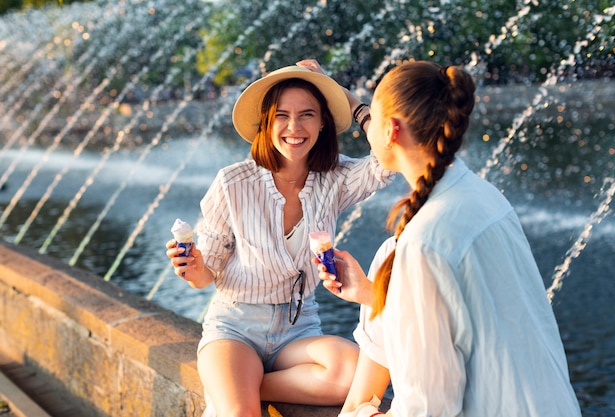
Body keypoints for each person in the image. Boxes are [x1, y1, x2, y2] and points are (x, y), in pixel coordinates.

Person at [318, 60, 582, 417]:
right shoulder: (482, 196)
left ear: (392, 131)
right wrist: (371, 293)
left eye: (373, 119)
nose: (367, 128)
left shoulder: (424, 241)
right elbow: (467, 317)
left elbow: (429, 407)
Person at [165, 59, 394, 417]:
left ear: (323, 123)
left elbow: (389, 155)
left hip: (298, 331)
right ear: (266, 123)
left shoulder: (335, 179)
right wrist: (192, 266)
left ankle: (242, 383)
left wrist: (352, 103)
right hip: (235, 327)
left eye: (307, 114)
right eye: (282, 116)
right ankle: (236, 382)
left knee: (353, 371)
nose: (294, 127)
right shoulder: (233, 183)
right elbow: (205, 275)